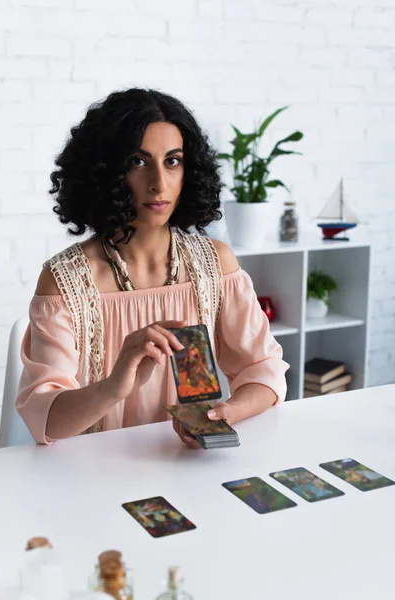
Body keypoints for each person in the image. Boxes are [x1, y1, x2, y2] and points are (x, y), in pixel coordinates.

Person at [16, 88, 289, 448]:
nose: (159, 182)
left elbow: (264, 372)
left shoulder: (215, 266)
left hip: (189, 469)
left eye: (173, 161)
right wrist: (115, 385)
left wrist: (224, 414)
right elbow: (45, 420)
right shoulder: (64, 283)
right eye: (138, 161)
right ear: (105, 172)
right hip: (90, 479)